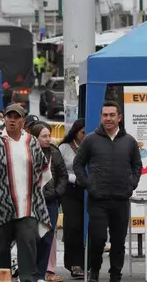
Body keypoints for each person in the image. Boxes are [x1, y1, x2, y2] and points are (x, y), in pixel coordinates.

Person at [0, 104, 52, 282]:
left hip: (27, 207)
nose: (12, 120)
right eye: (9, 116)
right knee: (0, 251)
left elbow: (43, 171)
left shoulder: (31, 141)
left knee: (28, 246)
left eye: (17, 117)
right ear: (5, 119)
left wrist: (34, 193)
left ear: (23, 120)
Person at [73, 101, 142, 282]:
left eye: (112, 115)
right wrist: (88, 184)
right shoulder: (90, 140)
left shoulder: (130, 142)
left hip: (121, 199)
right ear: (101, 117)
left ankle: (115, 276)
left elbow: (137, 165)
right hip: (98, 200)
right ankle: (94, 273)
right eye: (105, 115)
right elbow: (78, 164)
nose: (108, 118)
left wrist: (131, 184)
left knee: (118, 242)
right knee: (98, 239)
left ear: (119, 117)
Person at [30, 123, 68, 282]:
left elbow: (63, 176)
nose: (48, 139)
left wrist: (57, 193)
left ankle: (41, 274)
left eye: (49, 135)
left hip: (51, 202)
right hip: (32, 203)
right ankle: (29, 271)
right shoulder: (28, 153)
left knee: (47, 238)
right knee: (31, 238)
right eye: (44, 136)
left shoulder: (54, 152)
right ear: (35, 138)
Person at [58, 118, 87, 279]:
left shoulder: (92, 146)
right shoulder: (64, 148)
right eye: (83, 132)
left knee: (87, 226)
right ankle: (74, 264)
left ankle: (85, 263)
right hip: (71, 190)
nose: (85, 135)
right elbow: (60, 171)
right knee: (73, 225)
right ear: (75, 132)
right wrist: (75, 178)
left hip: (88, 189)